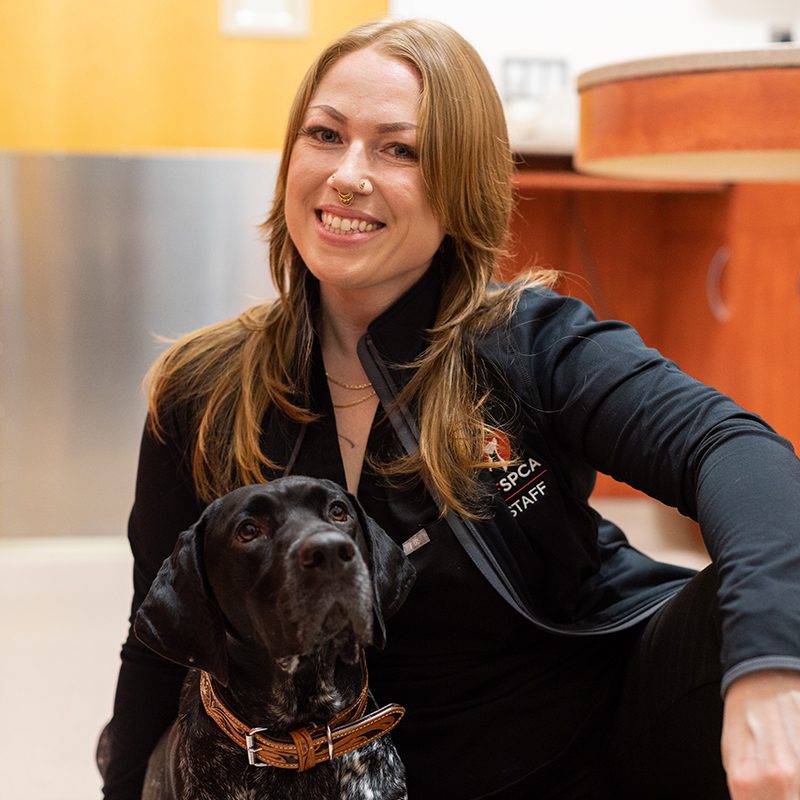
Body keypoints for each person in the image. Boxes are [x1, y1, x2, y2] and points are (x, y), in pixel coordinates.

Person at [99, 17, 800, 800]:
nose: (348, 174)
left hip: (605, 728)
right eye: (325, 135)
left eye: (400, 149)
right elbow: (161, 645)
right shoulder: (203, 389)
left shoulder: (533, 342)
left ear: (459, 183)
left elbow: (737, 450)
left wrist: (769, 664)